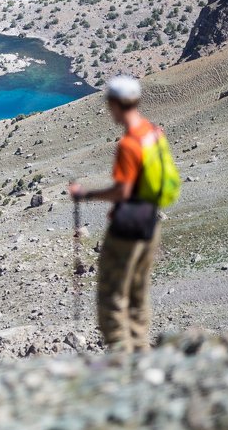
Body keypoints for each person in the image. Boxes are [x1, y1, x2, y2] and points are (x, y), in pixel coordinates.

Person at [69, 75, 176, 353]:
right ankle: (142, 354)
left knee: (112, 297)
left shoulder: (128, 145)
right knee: (138, 294)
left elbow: (122, 192)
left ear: (115, 104)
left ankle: (122, 362)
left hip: (127, 227)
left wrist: (86, 195)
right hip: (150, 222)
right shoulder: (154, 131)